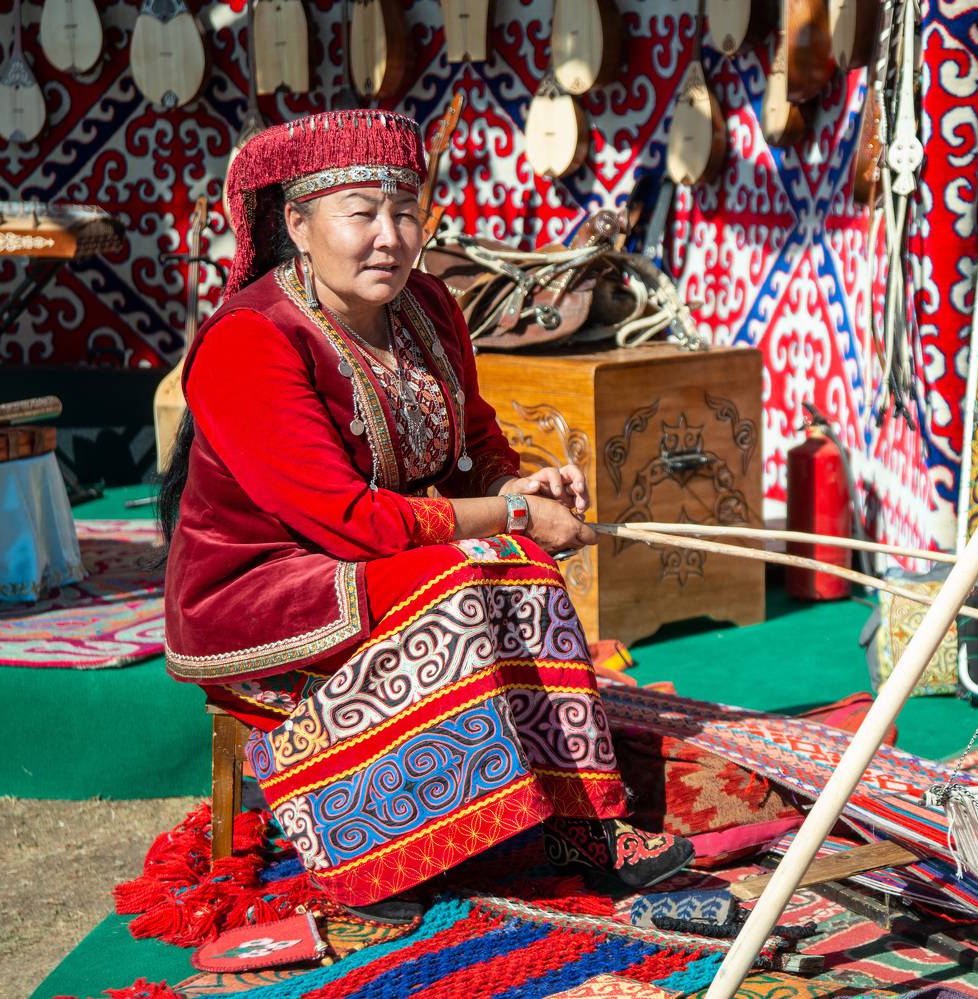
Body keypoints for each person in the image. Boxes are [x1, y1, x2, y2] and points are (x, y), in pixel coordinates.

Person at [159, 110, 692, 906]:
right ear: (298, 226)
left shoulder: (428, 306)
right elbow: (350, 520)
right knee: (471, 574)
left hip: (371, 554)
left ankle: (583, 819)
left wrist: (516, 489)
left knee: (509, 561)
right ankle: (379, 853)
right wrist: (512, 521)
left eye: (406, 212)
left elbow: (474, 443)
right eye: (362, 214)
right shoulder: (252, 340)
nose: (390, 238)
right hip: (257, 586)